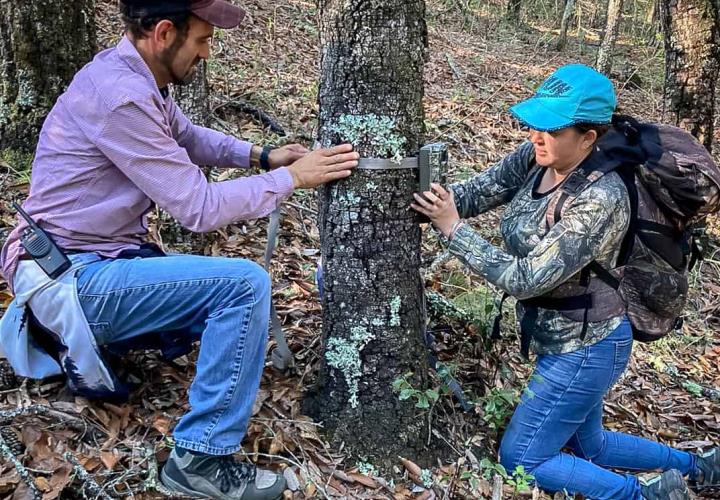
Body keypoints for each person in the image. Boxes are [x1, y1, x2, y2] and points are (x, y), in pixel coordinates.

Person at [0, 1, 358, 499]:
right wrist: (290, 178)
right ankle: (200, 461)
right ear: (164, 33)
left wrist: (261, 155)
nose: (206, 53)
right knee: (243, 286)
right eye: (202, 40)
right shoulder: (120, 96)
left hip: (92, 262)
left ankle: (83, 345)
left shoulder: (136, 77)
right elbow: (198, 208)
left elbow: (187, 137)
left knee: (218, 305)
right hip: (69, 278)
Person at [411, 63, 720, 500]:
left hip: (588, 346)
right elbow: (483, 189)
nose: (537, 135)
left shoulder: (602, 197)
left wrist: (452, 229)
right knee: (587, 444)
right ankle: (701, 467)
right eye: (535, 123)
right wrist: (428, 200)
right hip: (565, 337)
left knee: (523, 459)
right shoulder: (537, 156)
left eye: (552, 129)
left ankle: (644, 495)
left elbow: (527, 278)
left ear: (589, 137)